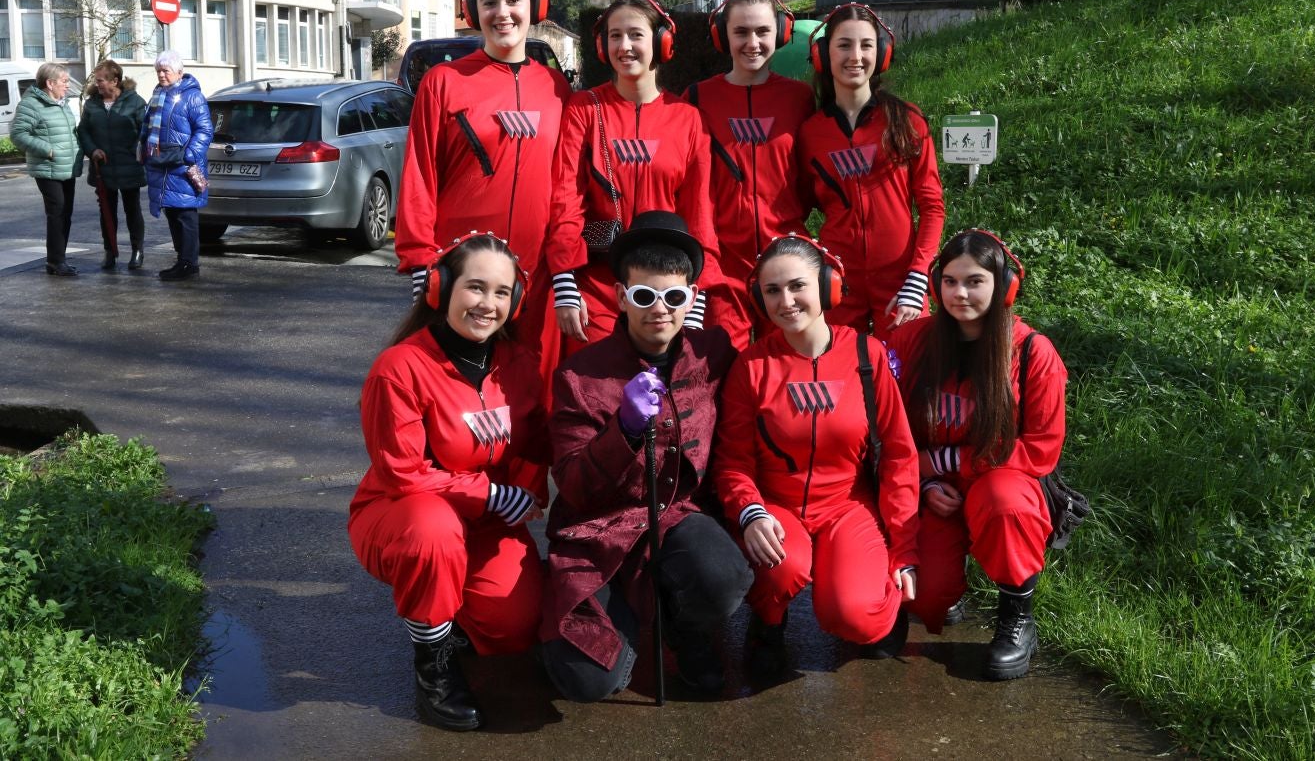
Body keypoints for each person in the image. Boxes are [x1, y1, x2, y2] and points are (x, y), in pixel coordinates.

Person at [540, 211, 750, 701]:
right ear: (620, 296)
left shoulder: (714, 352)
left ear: (692, 299)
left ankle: (683, 628)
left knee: (723, 575)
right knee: (587, 683)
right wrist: (624, 431)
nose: (660, 309)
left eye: (674, 297)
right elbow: (572, 487)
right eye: (644, 295)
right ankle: (605, 616)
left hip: (676, 517)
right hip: (600, 533)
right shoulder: (578, 375)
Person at [349, 232, 550, 731]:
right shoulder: (399, 368)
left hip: (484, 523)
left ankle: (448, 611)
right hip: (403, 512)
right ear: (441, 289)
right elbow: (402, 471)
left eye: (502, 293)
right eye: (475, 287)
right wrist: (489, 492)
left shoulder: (520, 366)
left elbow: (539, 446)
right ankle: (433, 667)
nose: (488, 304)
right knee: (433, 532)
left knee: (514, 628)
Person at [713, 234, 921, 676]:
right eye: (772, 291)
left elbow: (900, 456)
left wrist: (903, 551)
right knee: (781, 565)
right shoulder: (750, 366)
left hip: (847, 504)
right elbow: (733, 461)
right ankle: (767, 620)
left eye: (797, 286)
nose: (785, 301)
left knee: (851, 615)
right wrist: (749, 512)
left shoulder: (868, 355)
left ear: (828, 287)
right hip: (777, 505)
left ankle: (878, 596)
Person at [890, 229, 1069, 680]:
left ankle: (1016, 618)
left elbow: (1041, 449)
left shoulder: (1032, 352)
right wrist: (925, 481)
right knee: (925, 599)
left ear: (1004, 285)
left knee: (1006, 501)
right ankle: (950, 587)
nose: (959, 293)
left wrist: (949, 464)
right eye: (949, 281)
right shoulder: (910, 341)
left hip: (1000, 483)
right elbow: (885, 428)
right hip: (931, 489)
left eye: (974, 281)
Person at [396, 0, 572, 393]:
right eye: (489, 3)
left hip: (537, 274)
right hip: (460, 274)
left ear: (535, 6)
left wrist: (566, 267)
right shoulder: (443, 81)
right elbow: (419, 174)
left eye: (513, 0)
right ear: (473, 12)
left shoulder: (557, 89)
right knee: (455, 392)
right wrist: (420, 260)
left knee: (531, 396)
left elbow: (566, 187)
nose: (502, 13)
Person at [546, 0, 722, 357]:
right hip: (598, 287)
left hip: (666, 294)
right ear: (601, 45)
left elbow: (700, 215)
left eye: (636, 35)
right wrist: (565, 282)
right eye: (614, 36)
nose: (624, 46)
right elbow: (565, 198)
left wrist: (695, 297)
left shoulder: (688, 119)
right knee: (597, 396)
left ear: (661, 42)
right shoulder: (584, 109)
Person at [796, 2, 945, 334]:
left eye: (866, 45)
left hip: (901, 282)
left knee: (908, 377)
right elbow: (801, 206)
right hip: (838, 282)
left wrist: (918, 276)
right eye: (844, 45)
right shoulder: (810, 133)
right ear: (823, 54)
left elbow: (932, 207)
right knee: (844, 373)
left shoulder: (907, 120)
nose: (856, 56)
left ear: (882, 53)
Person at [685, 0, 817, 350]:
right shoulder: (697, 99)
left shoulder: (800, 98)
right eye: (741, 32)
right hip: (721, 265)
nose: (752, 42)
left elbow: (811, 177)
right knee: (724, 372)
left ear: (781, 32)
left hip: (788, 261)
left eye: (762, 31)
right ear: (722, 35)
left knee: (787, 369)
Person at [138, 50, 213, 281]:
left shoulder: (193, 97)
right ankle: (182, 259)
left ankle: (189, 262)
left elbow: (205, 130)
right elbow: (148, 126)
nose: (161, 75)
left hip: (181, 166)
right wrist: (142, 147)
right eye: (158, 71)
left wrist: (189, 155)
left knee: (185, 215)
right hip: (162, 164)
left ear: (179, 73)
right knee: (172, 212)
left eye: (165, 71)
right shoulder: (158, 95)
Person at [78, 60, 147, 271]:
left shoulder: (135, 102)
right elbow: (83, 131)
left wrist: (134, 150)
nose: (97, 84)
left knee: (132, 209)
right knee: (106, 211)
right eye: (96, 80)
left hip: (129, 165)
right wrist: (92, 150)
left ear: (114, 80)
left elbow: (145, 131)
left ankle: (137, 251)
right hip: (103, 168)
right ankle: (110, 252)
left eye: (100, 80)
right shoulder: (91, 104)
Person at [12, 62, 80, 276]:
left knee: (65, 213)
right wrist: (48, 150)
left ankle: (58, 260)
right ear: (50, 83)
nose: (67, 86)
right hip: (47, 167)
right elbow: (18, 134)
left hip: (67, 167)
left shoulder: (62, 103)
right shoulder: (30, 105)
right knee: (57, 211)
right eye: (64, 81)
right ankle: (56, 261)